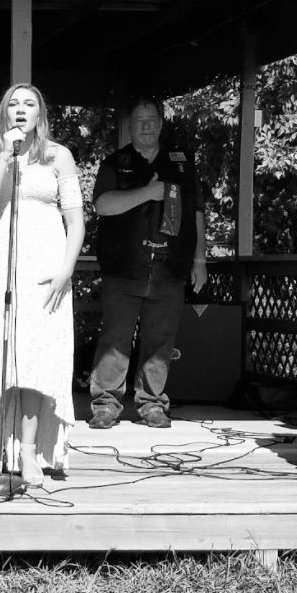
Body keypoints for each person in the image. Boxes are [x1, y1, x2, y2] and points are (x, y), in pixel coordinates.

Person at [0, 83, 85, 484]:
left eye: (29, 104)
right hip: (2, 262)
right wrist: (4, 155)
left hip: (47, 269)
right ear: (3, 112)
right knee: (2, 353)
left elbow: (76, 221)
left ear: (41, 113)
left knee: (37, 357)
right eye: (13, 104)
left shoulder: (59, 156)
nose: (21, 110)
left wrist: (66, 269)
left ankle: (31, 452)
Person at [88, 98, 207, 430]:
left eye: (151, 119)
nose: (145, 126)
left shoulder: (182, 162)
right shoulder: (115, 163)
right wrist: (148, 192)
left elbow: (196, 209)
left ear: (160, 122)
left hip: (170, 266)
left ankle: (152, 404)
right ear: (130, 126)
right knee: (115, 337)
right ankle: (105, 405)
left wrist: (200, 257)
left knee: (160, 340)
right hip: (124, 266)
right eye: (138, 120)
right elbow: (102, 205)